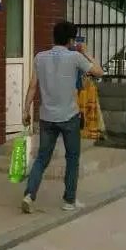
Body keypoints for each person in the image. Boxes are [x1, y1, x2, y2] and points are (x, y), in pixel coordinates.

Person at [21, 20, 104, 214]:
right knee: (72, 158)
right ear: (71, 40)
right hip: (69, 116)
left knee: (42, 158)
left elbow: (32, 86)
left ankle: (29, 194)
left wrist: (25, 110)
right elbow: (99, 72)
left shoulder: (40, 57)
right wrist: (86, 52)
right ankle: (69, 200)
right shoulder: (75, 57)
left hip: (47, 116)